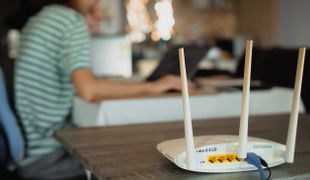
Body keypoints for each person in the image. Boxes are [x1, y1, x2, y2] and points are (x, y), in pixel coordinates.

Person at [15, 0, 189, 179]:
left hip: (37, 148)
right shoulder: (69, 21)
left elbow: (84, 84)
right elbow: (89, 90)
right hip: (50, 154)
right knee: (154, 158)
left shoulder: (41, 18)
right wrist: (153, 87)